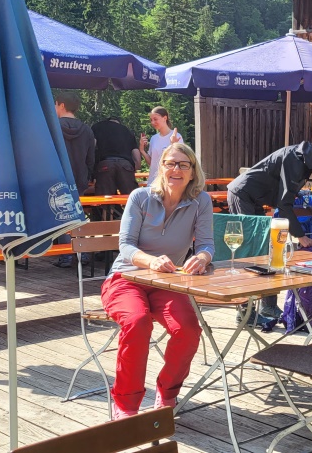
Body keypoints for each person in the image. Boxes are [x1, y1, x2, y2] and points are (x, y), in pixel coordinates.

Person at [100, 142, 213, 419]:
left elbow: (207, 244)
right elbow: (125, 246)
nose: (176, 169)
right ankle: (126, 403)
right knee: (137, 322)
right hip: (126, 277)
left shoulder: (201, 201)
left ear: (192, 172)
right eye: (170, 163)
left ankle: (167, 391)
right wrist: (151, 261)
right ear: (160, 167)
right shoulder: (140, 197)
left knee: (188, 330)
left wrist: (203, 257)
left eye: (183, 164)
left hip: (168, 281)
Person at [226, 141, 312, 319]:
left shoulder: (303, 160)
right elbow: (284, 204)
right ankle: (245, 312)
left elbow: (285, 196)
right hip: (242, 194)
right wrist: (300, 236)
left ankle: (268, 306)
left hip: (255, 198)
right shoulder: (294, 159)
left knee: (267, 251)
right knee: (249, 252)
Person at [52, 92, 96, 268]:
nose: (54, 108)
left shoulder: (53, 127)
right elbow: (91, 158)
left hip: (57, 178)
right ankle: (82, 252)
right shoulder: (87, 129)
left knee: (62, 216)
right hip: (79, 179)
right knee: (77, 216)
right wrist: (88, 176)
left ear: (62, 105)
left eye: (55, 105)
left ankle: (65, 255)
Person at [92, 116, 141, 195]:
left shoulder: (98, 127)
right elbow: (135, 152)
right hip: (125, 165)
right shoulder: (127, 131)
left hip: (105, 164)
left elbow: (92, 145)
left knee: (105, 198)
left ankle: (107, 203)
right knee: (131, 196)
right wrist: (136, 166)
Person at [139, 107, 181, 182]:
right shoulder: (154, 138)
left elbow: (180, 160)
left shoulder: (176, 136)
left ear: (165, 118)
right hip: (153, 181)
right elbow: (152, 163)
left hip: (168, 181)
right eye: (151, 120)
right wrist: (142, 150)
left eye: (155, 119)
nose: (152, 122)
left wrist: (174, 145)